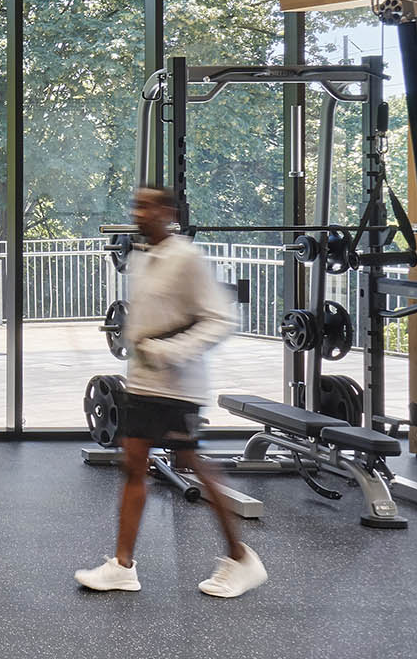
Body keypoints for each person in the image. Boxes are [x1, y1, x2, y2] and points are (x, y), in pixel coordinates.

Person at [76, 186, 265, 598]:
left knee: (192, 462)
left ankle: (241, 559)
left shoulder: (186, 258)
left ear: (167, 211)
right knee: (134, 465)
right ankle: (123, 566)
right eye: (135, 205)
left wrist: (170, 352)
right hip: (145, 384)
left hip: (178, 387)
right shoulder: (144, 258)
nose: (138, 212)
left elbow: (219, 320)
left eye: (146, 205)